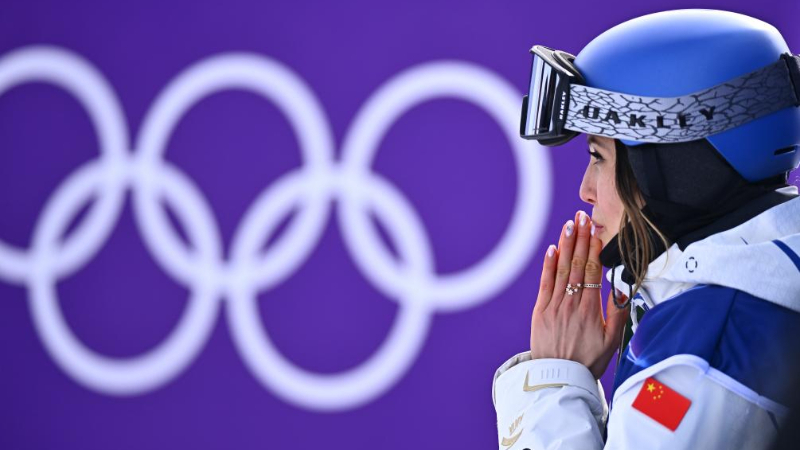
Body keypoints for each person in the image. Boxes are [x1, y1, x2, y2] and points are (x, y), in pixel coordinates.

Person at [492, 9, 800, 449]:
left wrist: (554, 386)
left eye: (598, 156)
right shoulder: (752, 293)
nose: (585, 189)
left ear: (674, 165)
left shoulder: (700, 357)